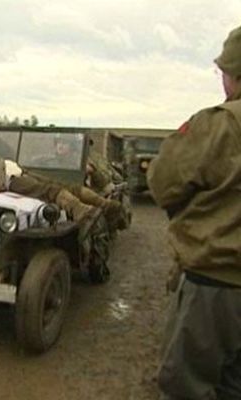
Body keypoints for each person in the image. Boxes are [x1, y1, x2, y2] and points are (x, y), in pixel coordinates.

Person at [148, 25, 241, 400]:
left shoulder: (219, 124)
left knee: (187, 386)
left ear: (233, 74)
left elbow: (162, 181)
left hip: (216, 284)